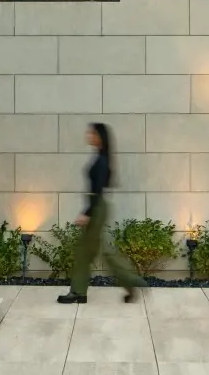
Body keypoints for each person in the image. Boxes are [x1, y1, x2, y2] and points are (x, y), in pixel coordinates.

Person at [57, 122, 146, 304]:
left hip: (96, 207)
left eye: (92, 133)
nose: (89, 136)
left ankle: (79, 292)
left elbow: (97, 189)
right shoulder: (101, 157)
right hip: (97, 206)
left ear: (100, 137)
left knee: (85, 252)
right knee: (98, 252)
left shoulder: (102, 160)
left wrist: (87, 213)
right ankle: (130, 283)